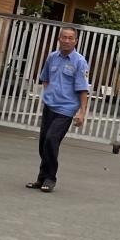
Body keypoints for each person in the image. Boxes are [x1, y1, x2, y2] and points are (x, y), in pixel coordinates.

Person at [28, 26, 90, 193]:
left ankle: (50, 178)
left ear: (75, 41)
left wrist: (82, 112)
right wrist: (48, 94)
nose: (67, 40)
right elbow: (45, 78)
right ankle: (41, 178)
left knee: (51, 140)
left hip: (66, 109)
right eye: (64, 37)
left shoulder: (79, 62)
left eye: (71, 38)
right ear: (59, 39)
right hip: (50, 106)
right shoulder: (52, 57)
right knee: (43, 143)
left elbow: (83, 89)